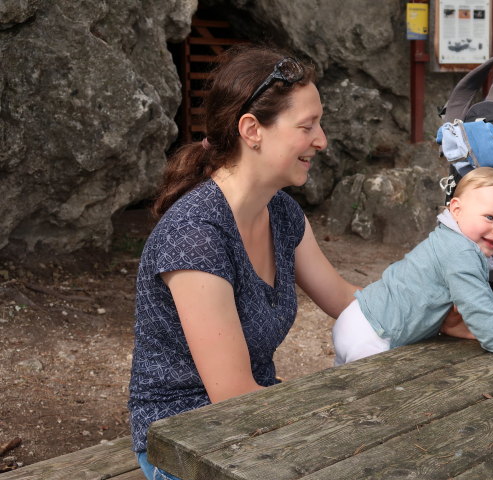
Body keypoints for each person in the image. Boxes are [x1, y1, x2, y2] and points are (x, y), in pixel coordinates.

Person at [128, 45, 358, 480]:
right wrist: (333, 406)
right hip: (183, 441)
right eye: (307, 126)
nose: (322, 140)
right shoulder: (195, 235)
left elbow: (347, 298)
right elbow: (232, 394)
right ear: (252, 129)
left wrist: (440, 310)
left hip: (252, 417)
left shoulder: (283, 213)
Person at [332, 166, 493, 365]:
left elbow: (479, 291)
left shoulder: (452, 240)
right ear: (456, 210)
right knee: (374, 393)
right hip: (373, 333)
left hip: (358, 320)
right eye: (490, 217)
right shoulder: (461, 252)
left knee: (341, 387)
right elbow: (475, 303)